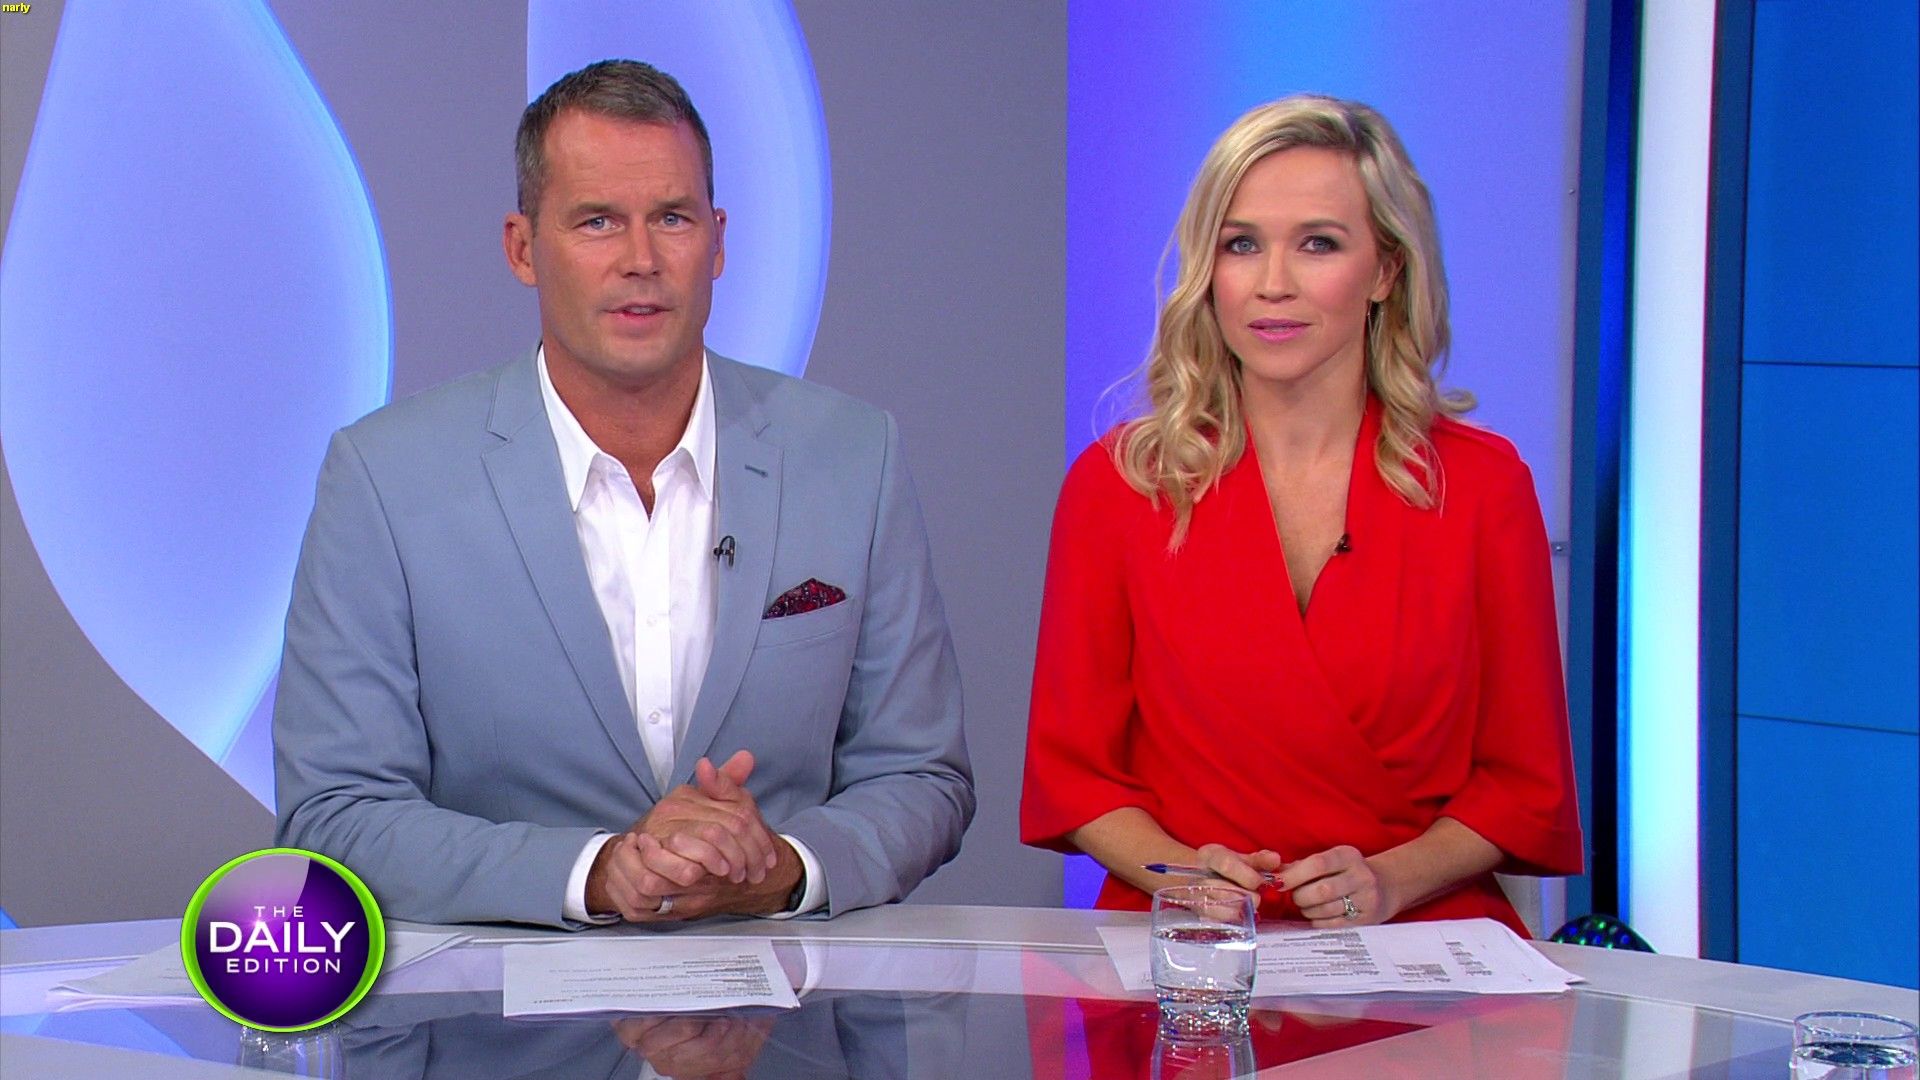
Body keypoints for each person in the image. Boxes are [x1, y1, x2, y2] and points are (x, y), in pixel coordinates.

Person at [274, 60, 973, 928]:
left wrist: (784, 869)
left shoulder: (855, 456)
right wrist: (599, 873)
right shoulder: (384, 476)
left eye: (672, 218)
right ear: (522, 248)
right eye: (597, 221)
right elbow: (336, 814)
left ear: (718, 241)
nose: (641, 261)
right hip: (502, 1006)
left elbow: (922, 776)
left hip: (791, 997)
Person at [1019, 95, 1582, 936]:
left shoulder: (1481, 486)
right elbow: (1076, 776)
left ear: (1386, 271)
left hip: (1416, 938)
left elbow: (1523, 784)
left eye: (1318, 243)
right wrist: (1183, 876)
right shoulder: (1120, 485)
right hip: (1193, 943)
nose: (1272, 283)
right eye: (1241, 244)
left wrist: (1389, 881)